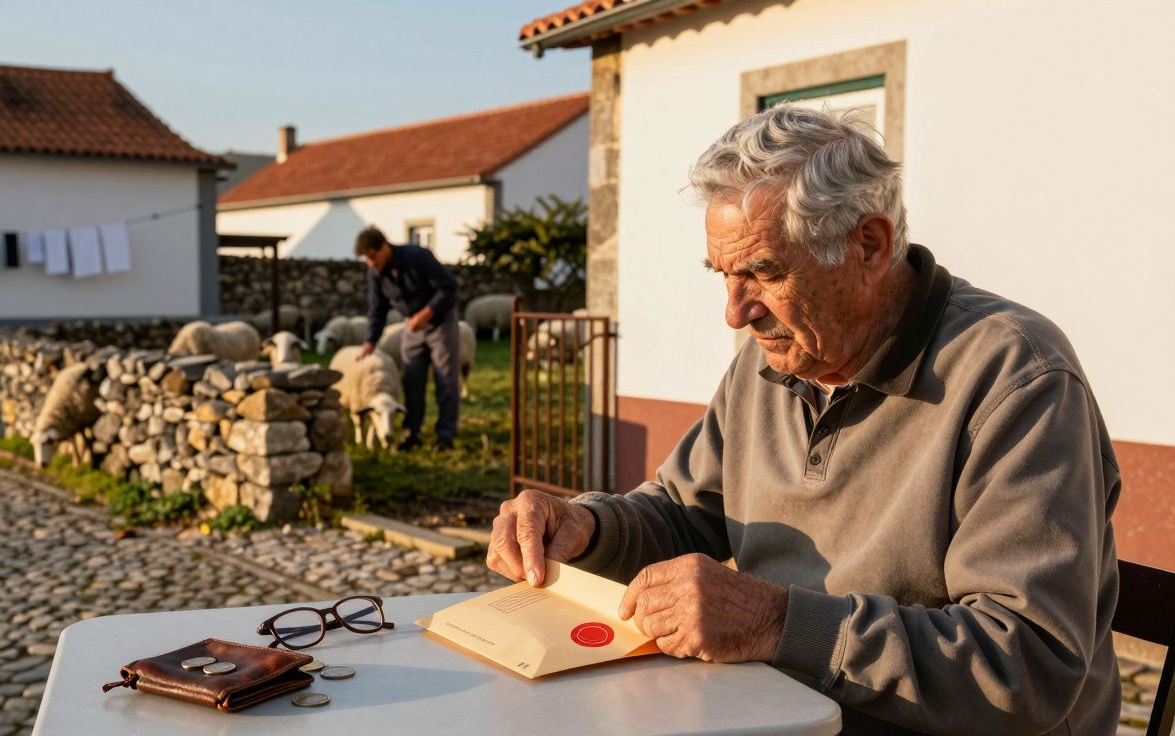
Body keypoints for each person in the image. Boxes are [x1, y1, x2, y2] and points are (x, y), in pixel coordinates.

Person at [486, 106, 1121, 735]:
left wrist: (776, 623)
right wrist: (586, 528)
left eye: (763, 272)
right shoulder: (772, 362)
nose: (735, 313)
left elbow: (1026, 667)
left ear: (868, 247)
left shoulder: (1017, 378)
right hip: (773, 715)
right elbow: (686, 513)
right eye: (724, 276)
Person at [355, 226, 460, 451]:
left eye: (372, 256)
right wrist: (370, 341)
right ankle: (412, 433)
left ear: (384, 247)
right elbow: (377, 308)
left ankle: (444, 436)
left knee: (445, 378)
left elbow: (449, 287)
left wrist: (427, 313)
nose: (370, 262)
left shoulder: (417, 257)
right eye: (366, 259)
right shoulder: (376, 272)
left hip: (440, 322)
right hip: (411, 326)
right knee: (411, 380)